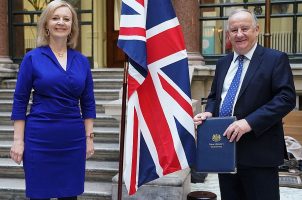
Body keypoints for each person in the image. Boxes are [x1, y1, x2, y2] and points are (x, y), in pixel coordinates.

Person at [193, 8, 296, 200]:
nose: (239, 34)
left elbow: (286, 98)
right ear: (228, 34)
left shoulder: (275, 59)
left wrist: (249, 122)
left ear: (256, 30)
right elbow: (215, 97)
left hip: (259, 152)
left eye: (245, 28)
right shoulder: (223, 63)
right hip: (224, 151)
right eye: (234, 30)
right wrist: (208, 112)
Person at [9, 0, 96, 199]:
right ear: (46, 24)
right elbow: (20, 100)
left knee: (69, 195)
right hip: (40, 138)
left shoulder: (81, 61)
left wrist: (89, 138)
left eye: (66, 19)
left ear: (72, 26)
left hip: (72, 139)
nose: (61, 22)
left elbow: (88, 102)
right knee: (40, 195)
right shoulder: (32, 58)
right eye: (55, 18)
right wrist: (18, 141)